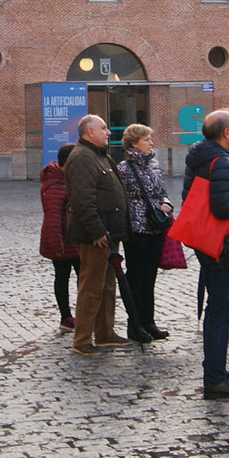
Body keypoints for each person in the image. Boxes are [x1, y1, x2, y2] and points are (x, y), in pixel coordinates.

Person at [183, 109, 229, 399]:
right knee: (221, 311)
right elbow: (224, 207)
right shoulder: (221, 160)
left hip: (207, 243)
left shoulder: (201, 157)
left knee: (217, 308)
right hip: (224, 245)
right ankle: (214, 377)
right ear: (226, 133)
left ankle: (216, 369)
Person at [64, 115, 132, 356]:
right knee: (91, 287)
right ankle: (82, 338)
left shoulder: (100, 156)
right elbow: (82, 200)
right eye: (103, 128)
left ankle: (105, 333)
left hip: (109, 233)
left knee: (106, 285)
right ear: (89, 132)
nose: (108, 132)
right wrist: (96, 231)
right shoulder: (82, 157)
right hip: (95, 235)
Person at [116, 124, 174, 343]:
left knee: (150, 275)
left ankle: (149, 321)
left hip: (156, 226)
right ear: (134, 143)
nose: (151, 142)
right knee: (136, 276)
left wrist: (166, 204)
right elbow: (124, 199)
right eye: (146, 139)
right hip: (137, 227)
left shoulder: (153, 164)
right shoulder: (123, 168)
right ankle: (135, 324)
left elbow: (161, 191)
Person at [40, 143, 79, 332]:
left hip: (75, 240)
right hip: (63, 241)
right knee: (62, 278)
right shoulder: (55, 184)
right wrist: (57, 245)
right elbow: (53, 218)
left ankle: (83, 315)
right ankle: (66, 317)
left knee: (82, 278)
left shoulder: (68, 179)